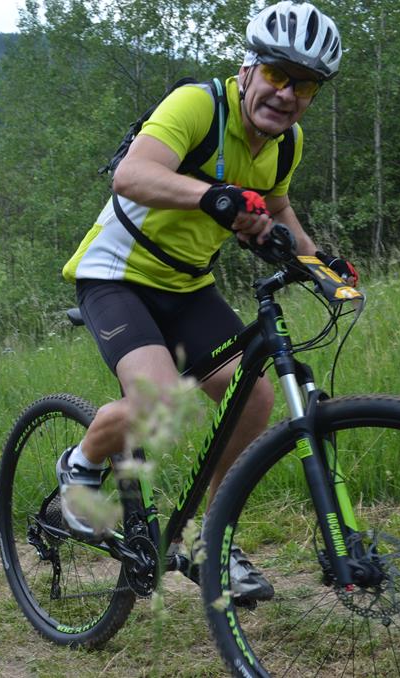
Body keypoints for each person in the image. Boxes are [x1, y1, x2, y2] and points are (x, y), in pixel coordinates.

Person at [56, 2, 356, 602]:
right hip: (116, 276)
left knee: (255, 395)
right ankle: (80, 464)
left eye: (304, 85)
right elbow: (132, 175)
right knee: (158, 400)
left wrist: (320, 264)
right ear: (248, 69)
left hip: (188, 285)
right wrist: (215, 196)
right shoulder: (198, 105)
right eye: (276, 73)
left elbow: (274, 205)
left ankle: (207, 537)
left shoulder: (286, 143)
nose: (286, 93)